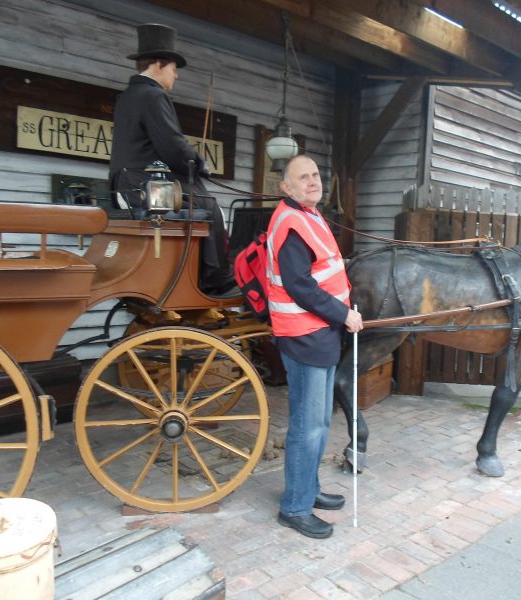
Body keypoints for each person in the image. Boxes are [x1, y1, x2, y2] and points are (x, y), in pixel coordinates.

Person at [265, 154, 363, 538]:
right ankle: (295, 507)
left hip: (318, 335)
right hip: (303, 335)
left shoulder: (309, 215)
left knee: (320, 422)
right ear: (285, 188)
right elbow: (300, 286)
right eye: (302, 178)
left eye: (315, 175)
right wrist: (343, 314)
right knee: (307, 427)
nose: (312, 182)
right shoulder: (291, 223)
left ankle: (308, 489)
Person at [109, 23, 236, 296]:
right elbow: (172, 146)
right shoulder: (153, 95)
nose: (176, 76)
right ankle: (215, 281)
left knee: (201, 201)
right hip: (147, 185)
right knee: (211, 206)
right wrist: (200, 164)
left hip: (126, 184)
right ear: (158, 64)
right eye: (173, 68)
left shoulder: (127, 97)